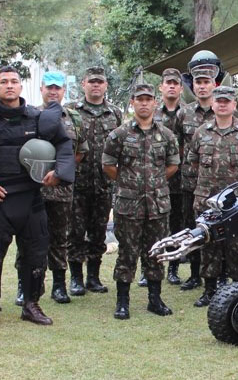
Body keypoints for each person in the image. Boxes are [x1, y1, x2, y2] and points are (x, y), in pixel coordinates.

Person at [0, 66, 75, 329]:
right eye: (4, 82)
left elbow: (64, 144)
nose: (9, 86)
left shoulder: (39, 119)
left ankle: (31, 305)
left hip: (31, 200)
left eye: (14, 81)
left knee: (36, 255)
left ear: (21, 87)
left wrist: (59, 172)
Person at [102, 83, 179, 319]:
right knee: (127, 252)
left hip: (157, 204)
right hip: (129, 205)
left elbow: (173, 165)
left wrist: (153, 183)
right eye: (139, 99)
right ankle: (122, 302)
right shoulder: (120, 134)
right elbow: (108, 165)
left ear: (155, 103)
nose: (144, 103)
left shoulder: (166, 135)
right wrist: (128, 183)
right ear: (132, 103)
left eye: (148, 99)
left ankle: (154, 300)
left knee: (156, 251)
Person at [187, 86, 238, 306]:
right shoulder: (201, 131)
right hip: (207, 198)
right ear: (212, 104)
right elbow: (193, 160)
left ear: (234, 105)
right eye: (218, 101)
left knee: (237, 245)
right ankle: (209, 290)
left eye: (226, 101)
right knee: (209, 243)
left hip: (237, 201)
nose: (222, 104)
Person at [21, 71, 88, 305]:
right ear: (41, 89)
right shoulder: (29, 115)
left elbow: (79, 151)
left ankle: (59, 286)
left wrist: (59, 172)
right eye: (49, 87)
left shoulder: (74, 118)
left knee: (60, 238)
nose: (53, 91)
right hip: (32, 189)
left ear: (63, 91)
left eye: (57, 88)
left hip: (61, 190)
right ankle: (26, 286)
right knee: (28, 238)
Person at [69, 65, 123, 296]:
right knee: (75, 232)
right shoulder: (71, 110)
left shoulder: (115, 113)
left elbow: (120, 146)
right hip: (77, 183)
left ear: (105, 86)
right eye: (92, 81)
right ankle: (76, 279)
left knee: (99, 231)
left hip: (104, 184)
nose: (96, 85)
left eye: (100, 82)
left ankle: (93, 277)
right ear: (84, 84)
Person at [174, 56, 218, 290]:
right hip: (191, 183)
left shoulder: (222, 110)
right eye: (198, 82)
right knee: (192, 227)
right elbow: (178, 145)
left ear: (214, 85)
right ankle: (194, 274)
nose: (202, 86)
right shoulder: (184, 113)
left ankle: (217, 275)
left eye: (206, 82)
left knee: (219, 228)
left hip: (218, 185)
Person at [148, 68, 185, 286]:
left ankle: (173, 268)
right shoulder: (153, 112)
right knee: (153, 225)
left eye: (175, 83)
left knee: (178, 225)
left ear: (180, 88)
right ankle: (150, 267)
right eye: (167, 83)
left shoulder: (188, 113)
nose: (171, 86)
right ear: (161, 87)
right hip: (152, 179)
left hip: (181, 179)